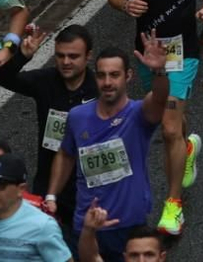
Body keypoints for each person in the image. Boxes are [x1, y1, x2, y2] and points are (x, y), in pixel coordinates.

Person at [103, 0, 203, 234]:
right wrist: (124, 5)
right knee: (173, 122)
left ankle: (173, 207)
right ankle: (188, 147)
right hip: (147, 55)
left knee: (168, 128)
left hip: (182, 56)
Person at [45, 38, 171, 256]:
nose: (107, 82)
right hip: (88, 223)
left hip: (128, 225)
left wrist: (159, 72)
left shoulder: (138, 114)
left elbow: (160, 98)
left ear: (128, 76)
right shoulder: (77, 116)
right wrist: (51, 196)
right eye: (101, 75)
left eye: (114, 75)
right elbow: (66, 155)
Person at [0, 23, 96, 232]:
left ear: (88, 57)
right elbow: (3, 78)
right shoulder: (46, 80)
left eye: (73, 56)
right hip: (48, 181)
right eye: (60, 56)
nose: (66, 62)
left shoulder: (100, 89)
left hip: (87, 184)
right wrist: (22, 56)